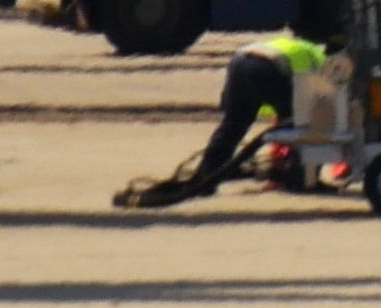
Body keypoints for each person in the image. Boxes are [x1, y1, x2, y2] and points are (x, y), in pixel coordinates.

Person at [116, 28, 334, 209]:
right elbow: (306, 116)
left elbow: (277, 114)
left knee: (233, 126)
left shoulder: (304, 49)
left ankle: (207, 177)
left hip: (240, 62)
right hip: (265, 67)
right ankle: (302, 178)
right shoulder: (321, 64)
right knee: (309, 121)